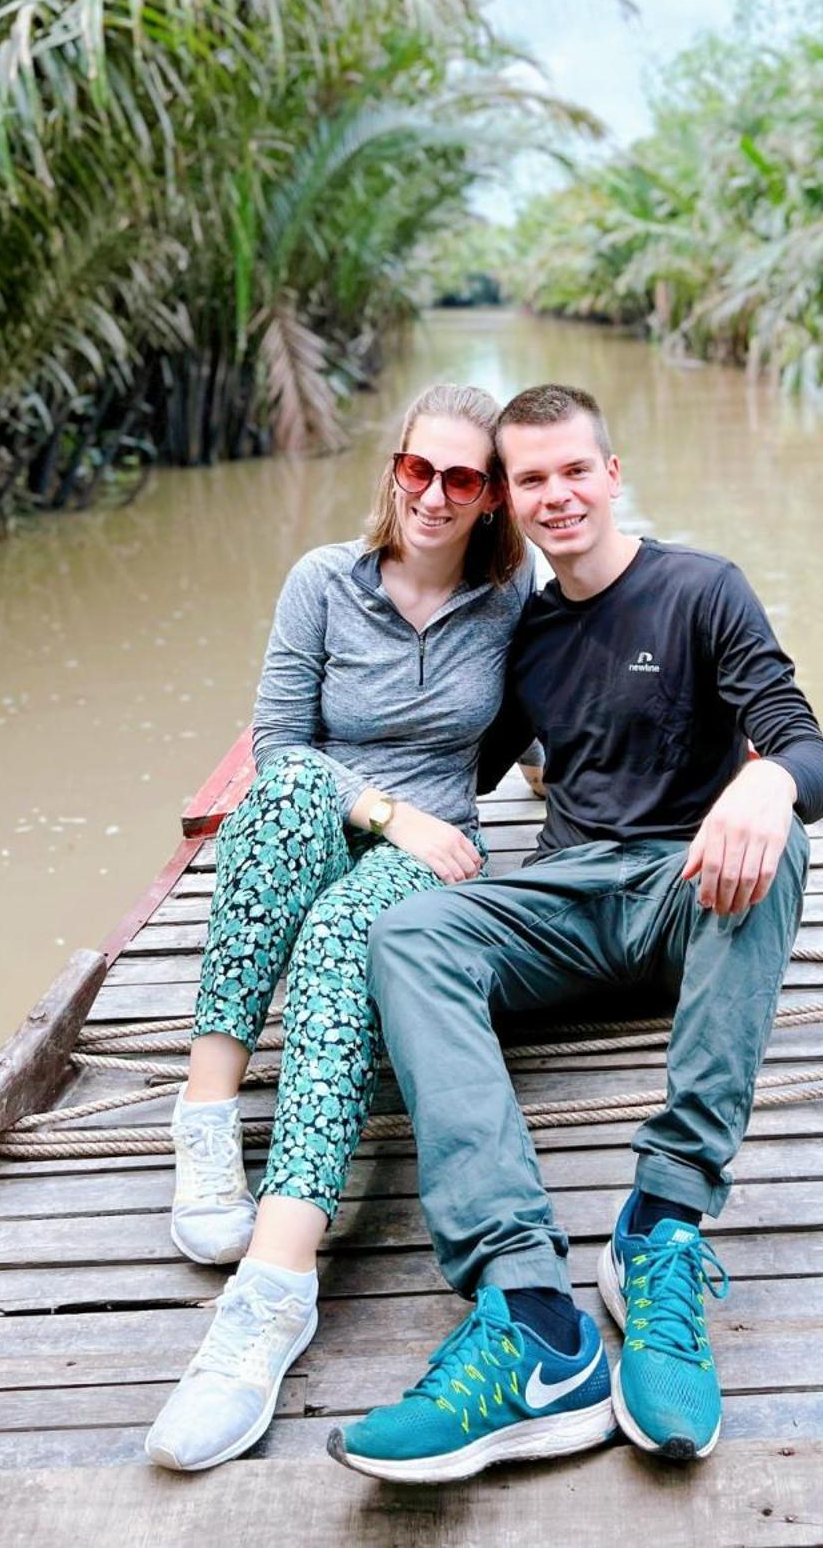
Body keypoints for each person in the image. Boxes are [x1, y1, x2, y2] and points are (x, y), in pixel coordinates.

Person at [329, 382, 823, 1485]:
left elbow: (808, 750)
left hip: (684, 895)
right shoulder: (526, 628)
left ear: (611, 474)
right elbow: (448, 761)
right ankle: (531, 1314)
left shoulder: (702, 588)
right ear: (509, 503)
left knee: (786, 837)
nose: (556, 495)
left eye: (574, 470)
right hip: (568, 900)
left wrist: (765, 790)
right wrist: (345, 787)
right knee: (414, 934)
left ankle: (661, 1222)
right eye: (530, 479)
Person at [145, 381, 535, 1473]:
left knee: (336, 940)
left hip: (435, 854)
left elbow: (557, 701)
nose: (435, 494)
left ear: (492, 497)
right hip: (340, 811)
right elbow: (277, 744)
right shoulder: (322, 580)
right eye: (420, 468)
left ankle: (274, 1289)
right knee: (275, 805)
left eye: (463, 478)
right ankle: (207, 1111)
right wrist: (377, 804)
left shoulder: (511, 599)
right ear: (393, 466)